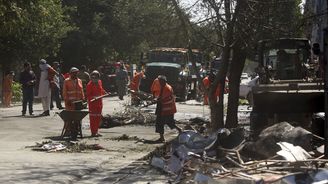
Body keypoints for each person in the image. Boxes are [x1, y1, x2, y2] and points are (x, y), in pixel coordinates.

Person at [155, 75, 182, 142]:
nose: (159, 83)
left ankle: (162, 138)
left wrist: (157, 100)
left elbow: (163, 99)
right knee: (167, 122)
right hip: (166, 108)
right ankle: (179, 130)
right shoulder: (164, 87)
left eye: (160, 81)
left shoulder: (166, 88)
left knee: (161, 122)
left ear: (163, 81)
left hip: (165, 108)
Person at [62, 67, 84, 139]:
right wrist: (67, 100)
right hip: (70, 103)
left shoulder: (79, 81)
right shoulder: (66, 81)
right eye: (74, 73)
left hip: (78, 103)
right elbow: (65, 92)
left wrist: (83, 99)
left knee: (77, 119)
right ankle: (69, 131)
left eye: (76, 73)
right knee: (70, 119)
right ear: (71, 73)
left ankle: (76, 131)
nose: (75, 74)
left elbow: (81, 91)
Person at [86, 70, 107, 137]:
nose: (94, 79)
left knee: (98, 117)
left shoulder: (99, 82)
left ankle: (96, 131)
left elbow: (101, 89)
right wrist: (94, 97)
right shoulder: (89, 85)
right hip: (93, 104)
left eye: (96, 77)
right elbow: (88, 95)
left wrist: (105, 92)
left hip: (99, 103)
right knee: (93, 118)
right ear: (91, 77)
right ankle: (93, 132)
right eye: (93, 77)